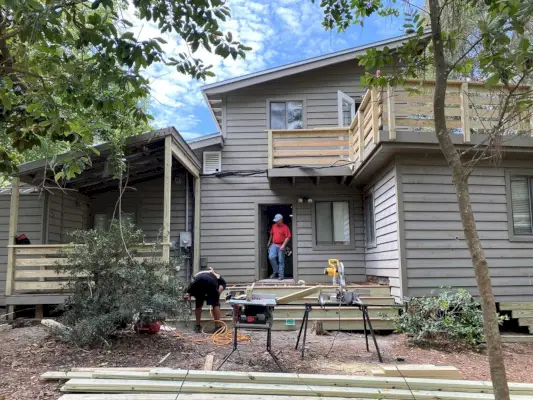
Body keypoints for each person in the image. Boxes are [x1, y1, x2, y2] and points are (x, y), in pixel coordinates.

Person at [186, 268, 226, 333]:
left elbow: (191, 285)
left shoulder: (198, 274)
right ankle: (217, 326)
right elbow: (221, 286)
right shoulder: (218, 276)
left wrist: (188, 295)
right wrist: (216, 296)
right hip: (211, 282)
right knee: (215, 304)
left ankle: (197, 326)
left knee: (198, 304)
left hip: (197, 281)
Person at [267, 214, 291, 280]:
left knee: (281, 261)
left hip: (281, 245)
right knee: (271, 257)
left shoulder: (285, 227)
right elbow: (271, 234)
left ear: (281, 220)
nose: (276, 222)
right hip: (274, 244)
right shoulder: (274, 226)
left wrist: (283, 245)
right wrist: (269, 242)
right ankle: (275, 271)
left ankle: (281, 275)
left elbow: (288, 237)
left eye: (277, 221)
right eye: (275, 221)